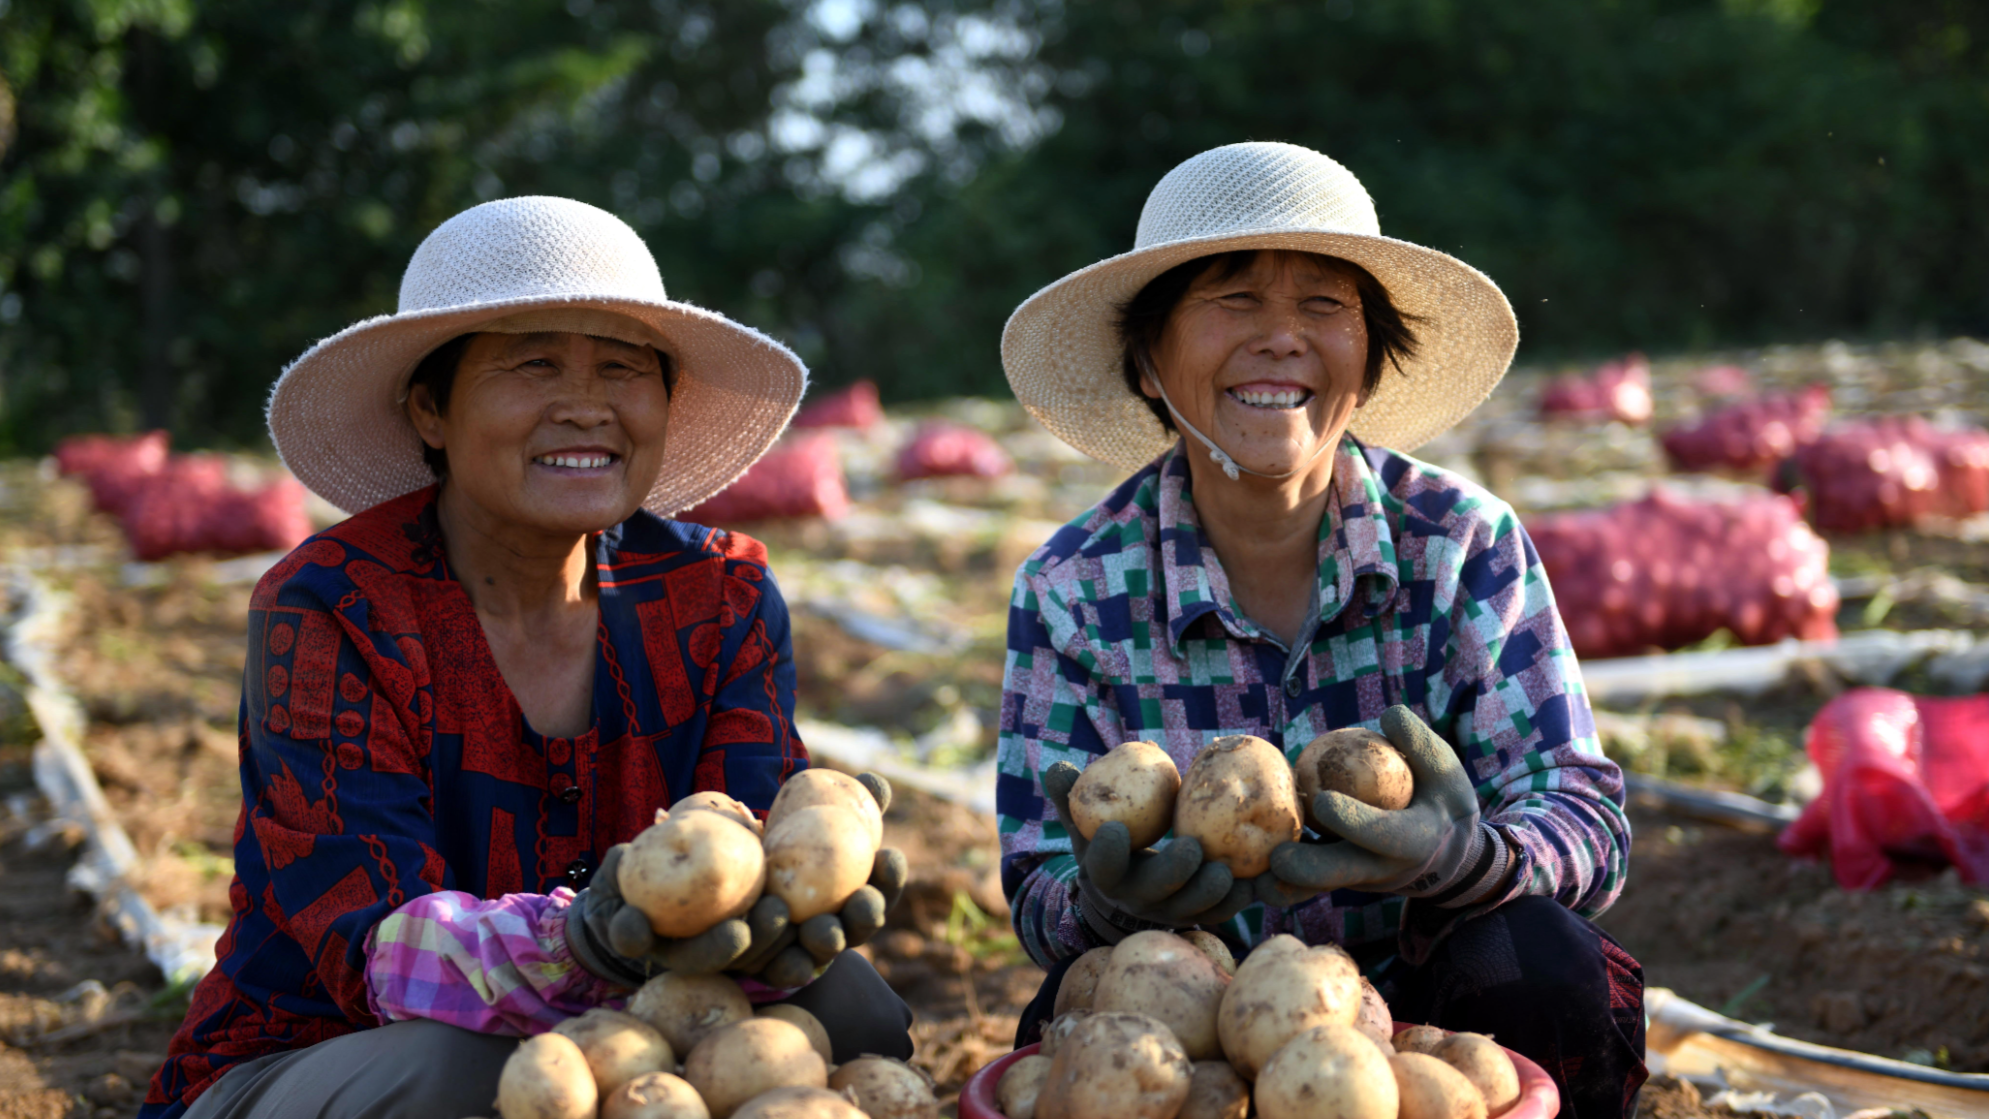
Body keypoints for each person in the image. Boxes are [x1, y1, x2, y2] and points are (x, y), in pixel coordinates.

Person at [143, 197, 912, 1119]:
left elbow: (735, 847)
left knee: (850, 1006)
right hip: (332, 1049)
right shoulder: (333, 606)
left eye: (623, 368)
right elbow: (368, 948)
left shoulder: (721, 596)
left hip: (637, 1025)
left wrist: (777, 905)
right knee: (459, 1079)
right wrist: (576, 939)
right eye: (533, 362)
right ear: (430, 407)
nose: (586, 404)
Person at [995, 143, 1643, 1118]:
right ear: (1149, 358)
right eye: (1233, 300)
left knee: (1545, 962)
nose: (1281, 339)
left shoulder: (1462, 547)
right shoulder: (1072, 591)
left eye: (1323, 306)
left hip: (1426, 1018)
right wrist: (1102, 901)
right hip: (1190, 1013)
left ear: (1372, 355)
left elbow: (1586, 819)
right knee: (1071, 1026)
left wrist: (1461, 859)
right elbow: (1035, 881)